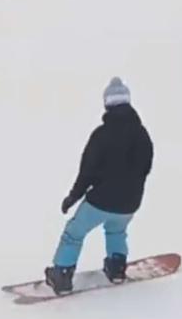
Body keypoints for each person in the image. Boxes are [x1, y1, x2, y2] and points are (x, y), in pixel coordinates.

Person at [44, 77, 154, 295]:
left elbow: (87, 172)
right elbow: (146, 167)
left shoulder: (101, 135)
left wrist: (72, 197)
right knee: (116, 230)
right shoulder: (142, 134)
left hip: (101, 200)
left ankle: (62, 275)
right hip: (130, 202)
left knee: (74, 233)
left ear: (107, 104)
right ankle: (117, 268)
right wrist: (131, 188)